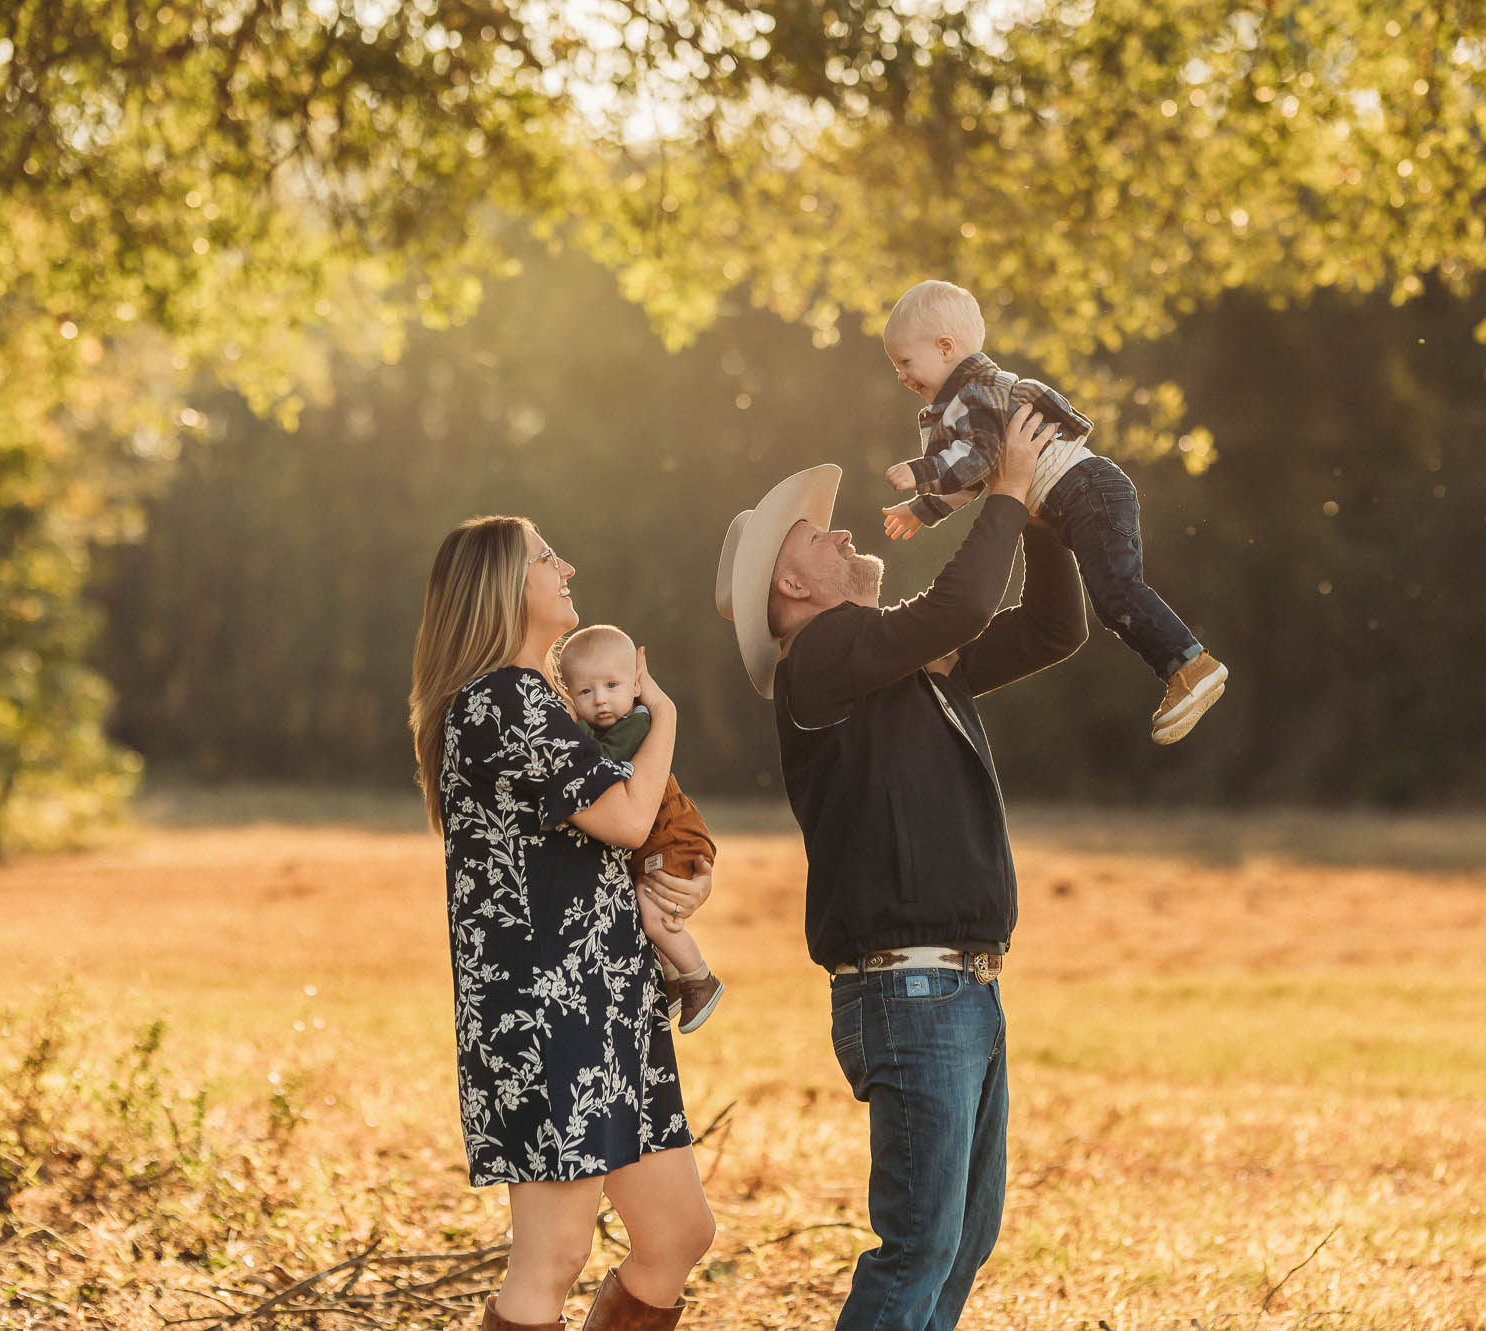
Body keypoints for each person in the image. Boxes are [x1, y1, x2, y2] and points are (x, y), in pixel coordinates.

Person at [713, 406, 1088, 1330]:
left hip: (960, 991)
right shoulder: (821, 657)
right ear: (793, 581)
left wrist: (1038, 517)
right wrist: (1002, 489)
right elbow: (959, 606)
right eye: (819, 535)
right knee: (921, 1244)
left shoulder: (904, 665)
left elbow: (1053, 630)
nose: (844, 533)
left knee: (961, 1239)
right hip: (912, 994)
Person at [409, 516, 716, 1331]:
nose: (566, 565)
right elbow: (624, 815)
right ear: (508, 585)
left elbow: (637, 823)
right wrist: (666, 712)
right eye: (548, 557)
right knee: (552, 1257)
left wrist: (684, 871)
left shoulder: (544, 699)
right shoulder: (503, 700)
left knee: (678, 1233)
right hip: (546, 1014)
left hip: (606, 1004)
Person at [879, 278, 1229, 745]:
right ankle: (1184, 665)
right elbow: (973, 478)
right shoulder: (958, 408)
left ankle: (1189, 665)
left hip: (1086, 490)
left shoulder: (976, 394)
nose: (901, 376)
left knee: (1115, 592)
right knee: (1110, 595)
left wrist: (921, 472)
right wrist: (922, 509)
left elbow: (978, 461)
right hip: (1073, 500)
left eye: (904, 362)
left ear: (946, 348)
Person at [556, 622, 724, 1033]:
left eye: (612, 685)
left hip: (671, 833)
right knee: (646, 902)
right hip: (657, 838)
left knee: (654, 915)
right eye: (585, 692)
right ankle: (670, 983)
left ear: (636, 685)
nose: (600, 701)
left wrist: (567, 724)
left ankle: (698, 978)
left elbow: (603, 757)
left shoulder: (636, 723)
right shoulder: (611, 722)